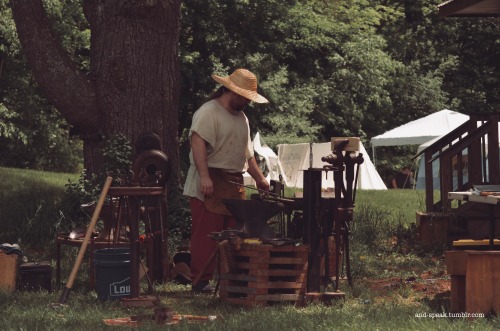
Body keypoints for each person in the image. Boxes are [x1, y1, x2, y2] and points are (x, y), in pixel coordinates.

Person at [183, 68, 270, 293]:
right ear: (232, 91)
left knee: (234, 234)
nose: (247, 103)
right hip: (209, 179)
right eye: (245, 97)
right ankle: (200, 281)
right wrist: (204, 176)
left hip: (232, 183)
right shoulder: (208, 111)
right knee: (207, 234)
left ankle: (229, 280)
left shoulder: (242, 118)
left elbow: (247, 153)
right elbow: (197, 142)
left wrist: (260, 178)